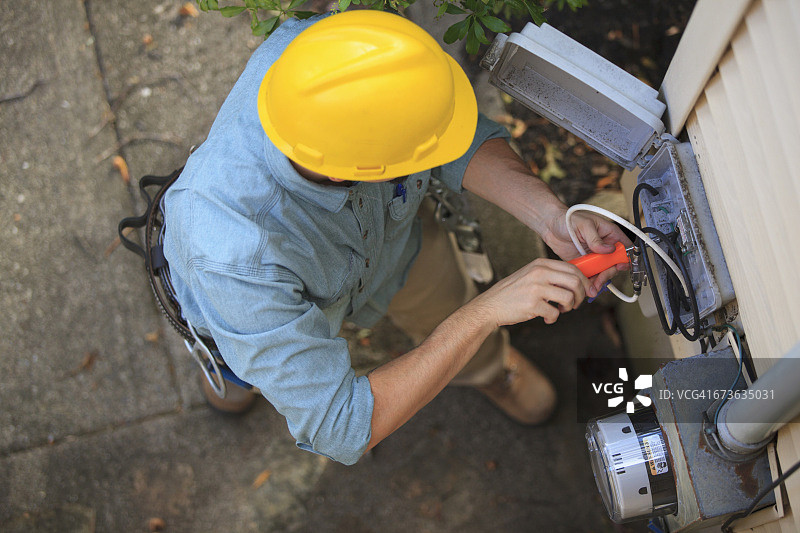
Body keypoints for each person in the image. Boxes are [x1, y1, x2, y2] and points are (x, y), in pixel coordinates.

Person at [163, 10, 629, 466]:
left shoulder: (347, 52)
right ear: (361, 171)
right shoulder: (232, 259)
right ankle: (234, 377)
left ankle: (488, 368)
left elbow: (455, 137)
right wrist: (483, 314)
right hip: (243, 300)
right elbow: (339, 429)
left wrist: (549, 217)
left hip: (394, 247)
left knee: (445, 304)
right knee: (252, 363)